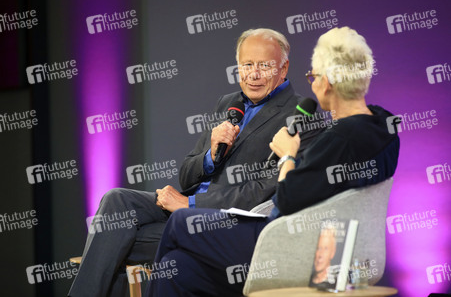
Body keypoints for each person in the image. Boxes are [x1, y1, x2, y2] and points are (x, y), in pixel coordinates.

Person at [145, 26, 400, 297]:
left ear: (327, 82)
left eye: (312, 76)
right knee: (180, 267)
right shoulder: (383, 126)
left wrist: (288, 154)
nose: (312, 85)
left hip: (292, 246)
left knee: (181, 221)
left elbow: (288, 200)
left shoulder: (338, 139)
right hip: (339, 247)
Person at [68, 28, 321, 297]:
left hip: (223, 224)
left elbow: (264, 191)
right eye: (247, 65)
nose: (254, 74)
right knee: (117, 200)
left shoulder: (299, 115)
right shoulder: (228, 104)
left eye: (264, 66)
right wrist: (210, 156)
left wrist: (189, 205)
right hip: (185, 209)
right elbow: (187, 176)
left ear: (283, 69)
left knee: (112, 243)